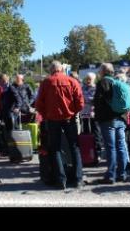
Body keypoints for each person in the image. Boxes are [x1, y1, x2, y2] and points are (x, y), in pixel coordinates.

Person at [35, 61, 85, 190]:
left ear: (52, 70)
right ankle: (78, 179)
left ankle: (61, 180)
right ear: (62, 69)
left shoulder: (46, 82)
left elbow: (39, 104)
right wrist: (72, 112)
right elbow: (80, 102)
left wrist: (46, 115)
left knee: (55, 149)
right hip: (69, 118)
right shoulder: (72, 81)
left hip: (52, 119)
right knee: (74, 147)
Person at [93, 63, 130, 184]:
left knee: (111, 147)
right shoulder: (116, 81)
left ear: (103, 71)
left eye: (100, 70)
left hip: (108, 120)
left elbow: (98, 101)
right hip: (121, 118)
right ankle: (122, 173)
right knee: (120, 146)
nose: (99, 72)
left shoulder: (103, 82)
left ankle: (110, 176)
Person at [81, 72, 103, 160]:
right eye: (87, 79)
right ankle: (87, 151)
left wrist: (85, 99)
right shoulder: (83, 87)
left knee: (96, 131)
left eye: (90, 79)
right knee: (85, 131)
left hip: (93, 112)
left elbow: (94, 99)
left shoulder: (96, 88)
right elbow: (80, 97)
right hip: (84, 112)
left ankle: (98, 152)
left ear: (93, 79)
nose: (88, 80)